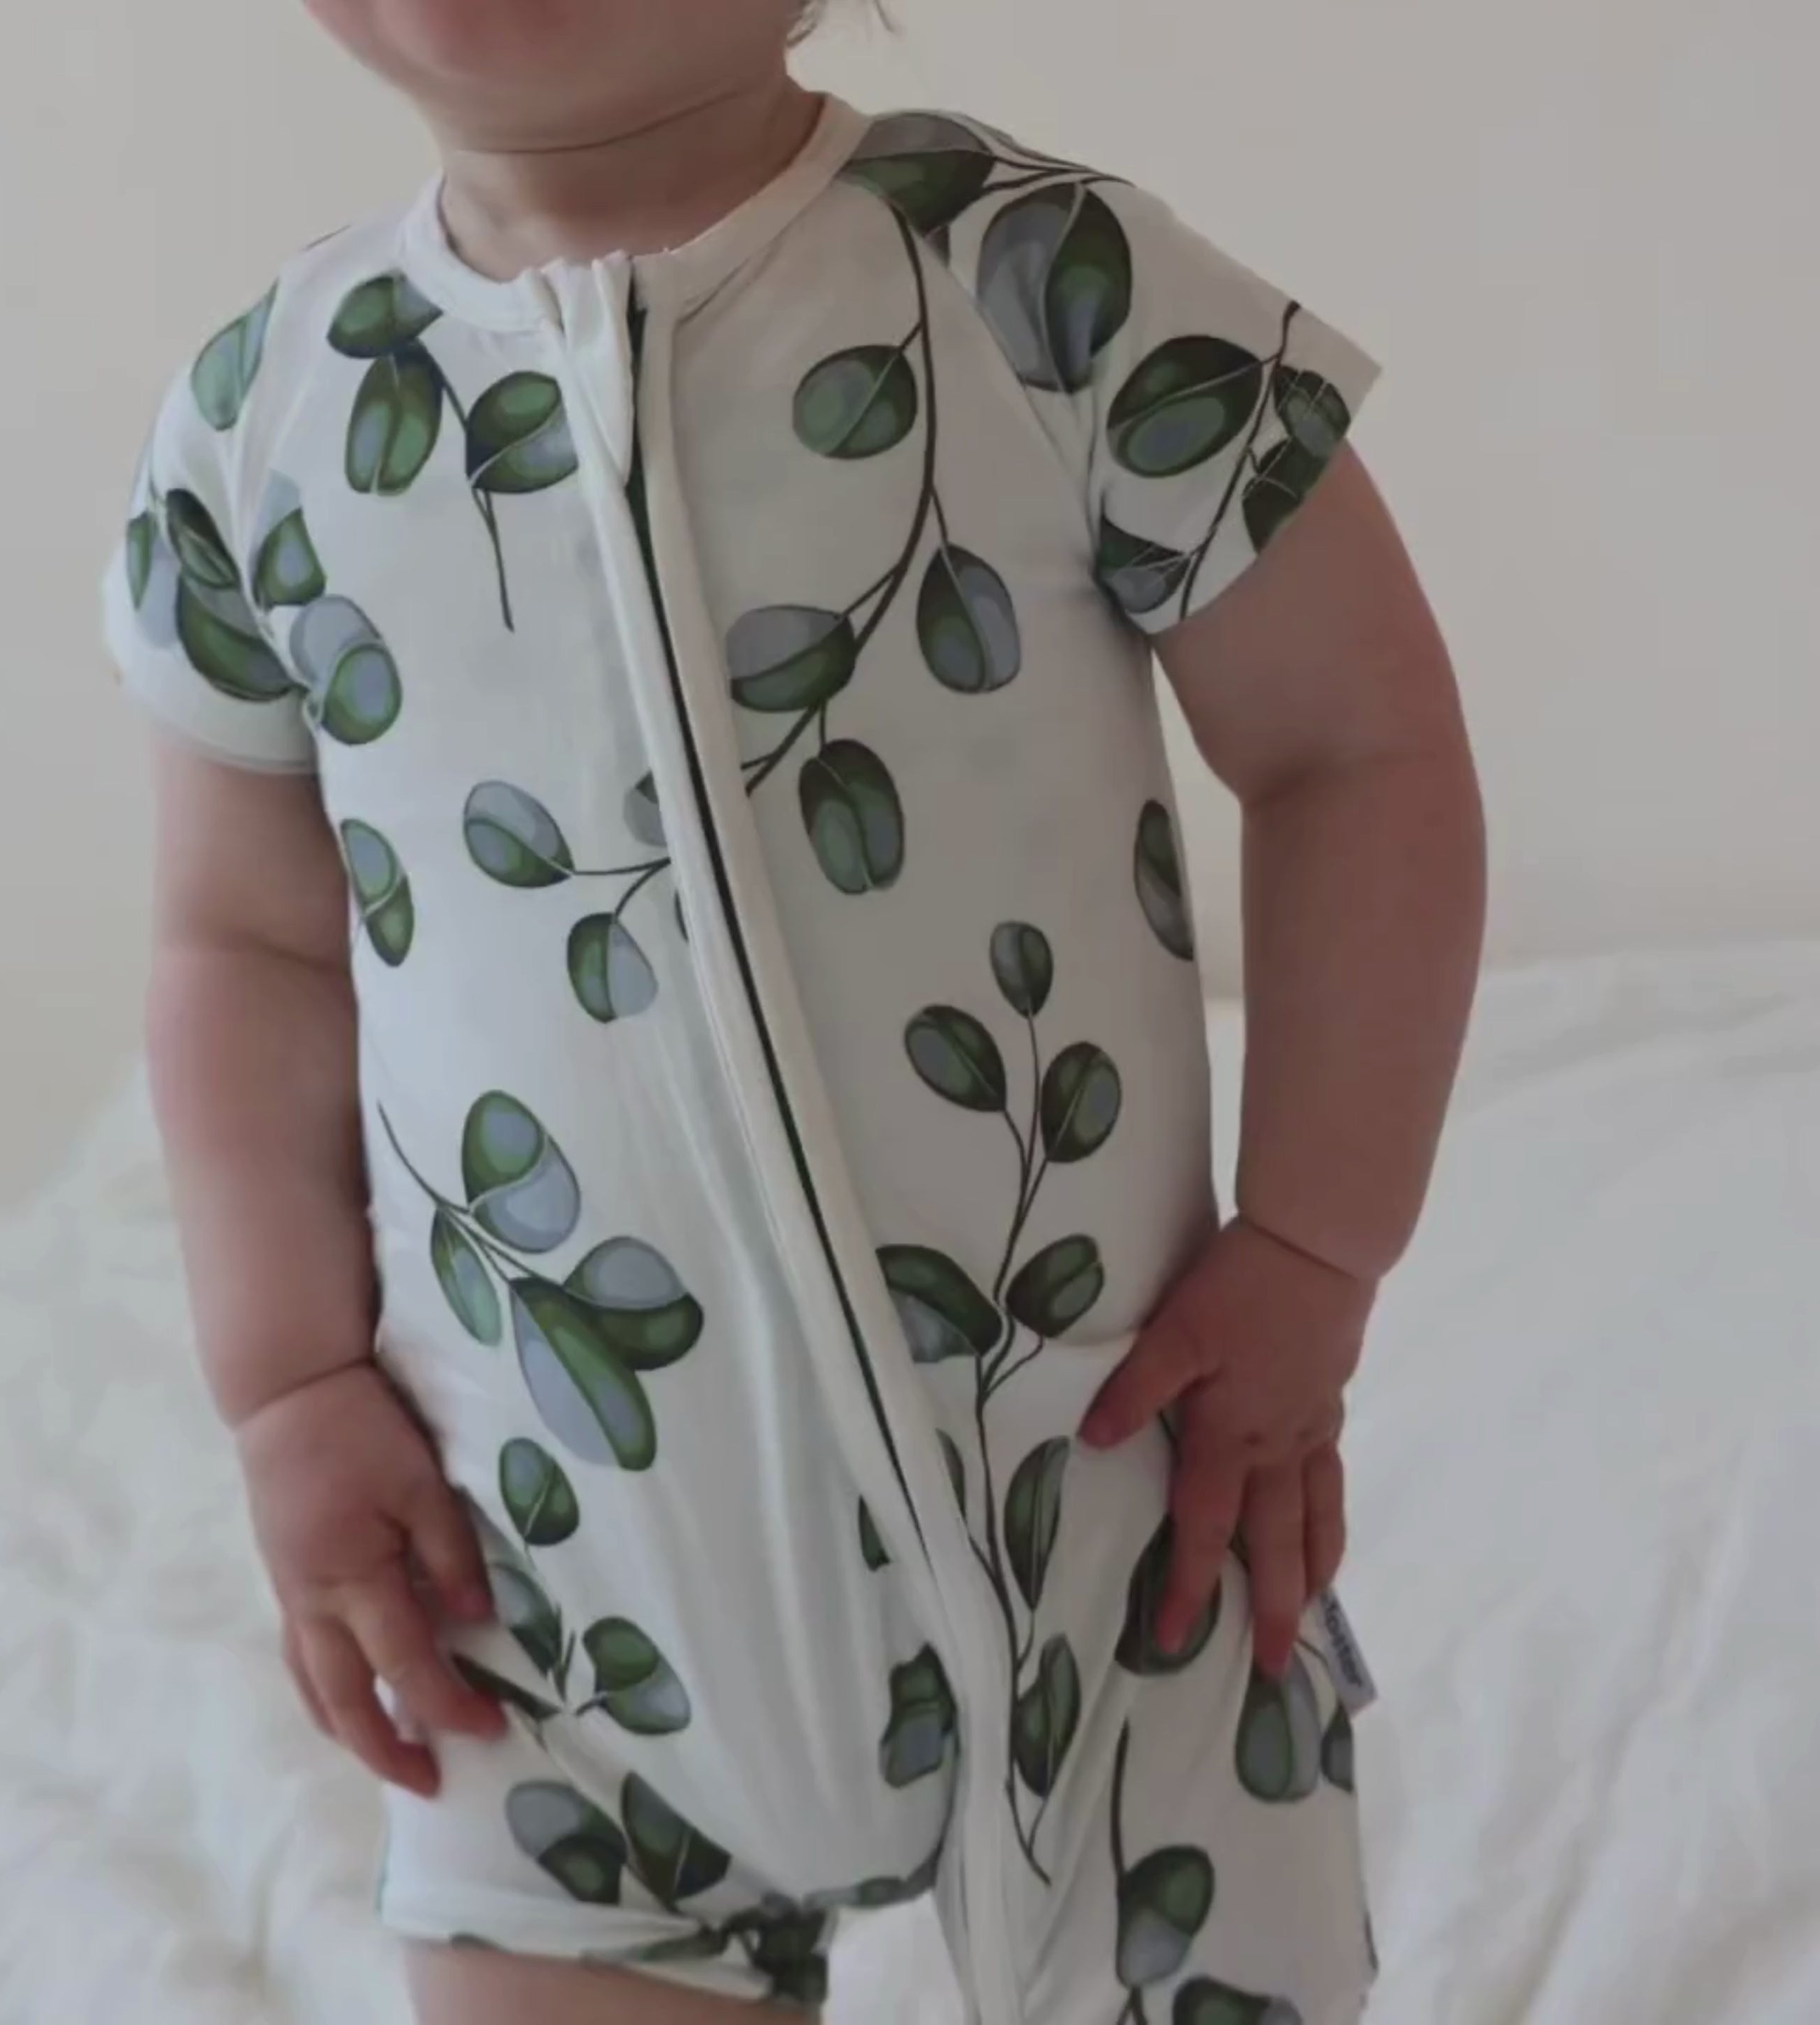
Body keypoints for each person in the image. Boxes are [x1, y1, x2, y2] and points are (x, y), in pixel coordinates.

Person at [108, 1, 1484, 2019]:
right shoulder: (264, 425)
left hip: (1114, 1531)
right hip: (552, 1595)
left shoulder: (1040, 285)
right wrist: (287, 1387)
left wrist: (1315, 1247)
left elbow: (1358, 751)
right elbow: (246, 946)